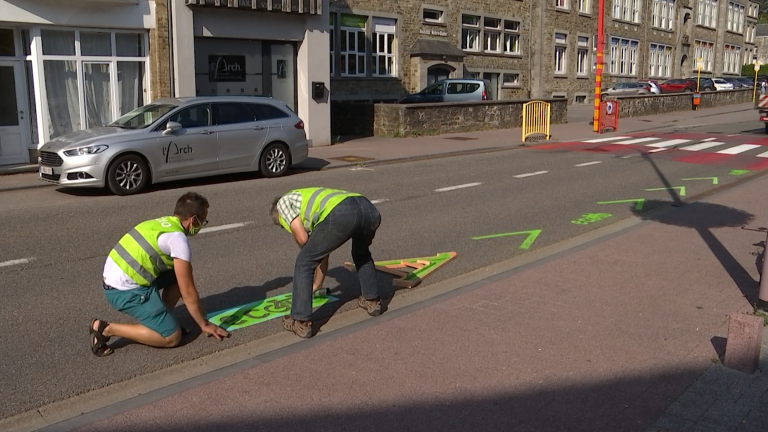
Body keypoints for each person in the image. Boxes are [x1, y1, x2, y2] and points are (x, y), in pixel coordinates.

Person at [90, 191, 229, 356]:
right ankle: (106, 329)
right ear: (193, 220)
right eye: (202, 220)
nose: (201, 225)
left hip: (116, 278)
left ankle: (162, 319)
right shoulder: (177, 239)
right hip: (121, 291)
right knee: (172, 336)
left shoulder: (161, 223)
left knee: (179, 273)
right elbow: (188, 292)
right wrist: (204, 324)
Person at [270, 187, 383, 338]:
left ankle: (301, 321)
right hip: (368, 209)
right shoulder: (309, 203)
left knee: (303, 263)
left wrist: (303, 244)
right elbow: (323, 254)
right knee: (361, 254)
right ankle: (372, 301)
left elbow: (303, 239)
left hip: (341, 212)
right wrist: (317, 285)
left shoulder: (282, 204)